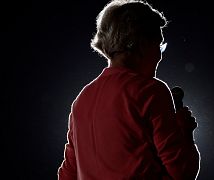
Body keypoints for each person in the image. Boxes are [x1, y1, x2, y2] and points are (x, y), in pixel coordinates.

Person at [57, 0, 200, 179]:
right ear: (139, 44)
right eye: (158, 45)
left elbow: (68, 173)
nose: (159, 55)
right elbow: (182, 172)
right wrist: (184, 131)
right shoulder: (151, 91)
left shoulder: (81, 100)